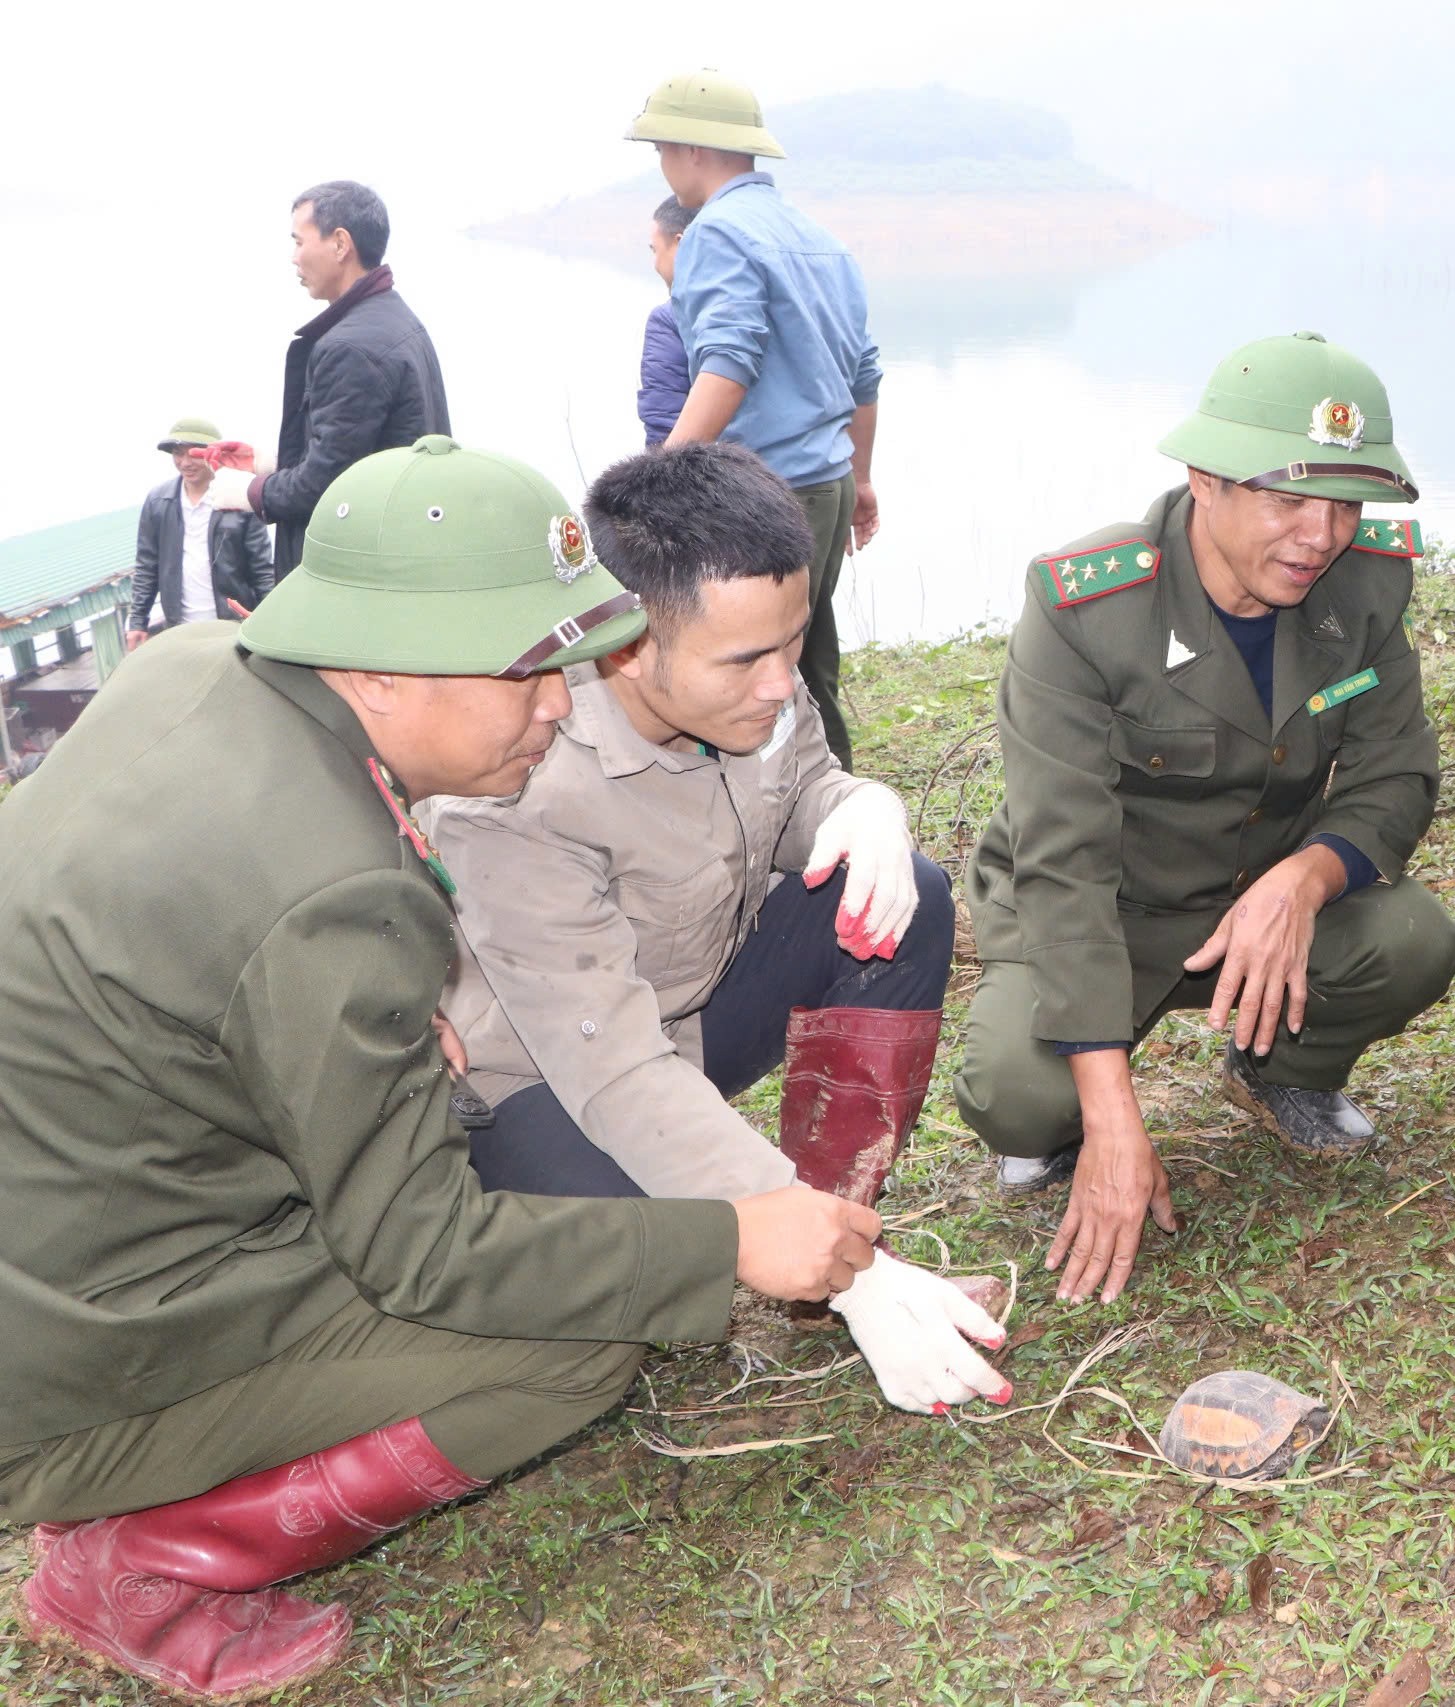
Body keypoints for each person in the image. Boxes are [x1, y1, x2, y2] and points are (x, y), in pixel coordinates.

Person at [0, 437, 884, 1702]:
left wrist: (373, 994)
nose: (559, 704)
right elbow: (426, 1257)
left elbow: (197, 916)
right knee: (574, 1342)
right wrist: (722, 1241)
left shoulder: (201, 665)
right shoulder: (334, 902)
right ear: (374, 669)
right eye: (526, 673)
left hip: (76, 1217)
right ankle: (135, 1559)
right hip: (78, 1350)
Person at [417, 443, 1001, 1414]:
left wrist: (861, 806)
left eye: (793, 644)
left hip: (688, 1024)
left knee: (907, 901)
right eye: (747, 660)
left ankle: (841, 1235)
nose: (781, 683)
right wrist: (811, 1256)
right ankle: (823, 1261)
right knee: (632, 1291)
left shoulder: (751, 682)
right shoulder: (523, 788)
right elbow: (611, 1069)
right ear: (627, 648)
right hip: (547, 1087)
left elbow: (805, 788)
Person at [957, 332, 1455, 1306]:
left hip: (1252, 909)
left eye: (1343, 505)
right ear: (1206, 480)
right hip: (1100, 909)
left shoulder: (1363, 586)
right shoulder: (1086, 610)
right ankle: (1072, 1112)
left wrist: (1302, 878)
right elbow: (1061, 865)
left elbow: (1397, 775)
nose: (1318, 536)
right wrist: (1112, 1122)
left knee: (1412, 939)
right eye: (1287, 500)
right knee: (1020, 1100)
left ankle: (1279, 1068)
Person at [628, 69, 882, 767]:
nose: (662, 163)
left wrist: (663, 475)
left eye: (662, 148)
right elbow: (864, 375)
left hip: (767, 494)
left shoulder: (716, 232)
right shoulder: (817, 237)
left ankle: (777, 823)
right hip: (826, 483)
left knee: (750, 675)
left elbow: (727, 365)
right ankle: (836, 802)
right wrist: (860, 478)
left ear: (693, 150)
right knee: (808, 658)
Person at [203, 181, 450, 578]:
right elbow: (360, 449)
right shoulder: (396, 319)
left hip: (363, 569)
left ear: (340, 244)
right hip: (405, 546)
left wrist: (249, 494)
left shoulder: (350, 348)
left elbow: (328, 483)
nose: (293, 258)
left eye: (299, 242)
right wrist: (268, 463)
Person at [126, 417, 274, 648]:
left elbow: (262, 569)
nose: (185, 462)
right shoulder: (158, 502)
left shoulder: (239, 498)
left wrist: (272, 620)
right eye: (177, 453)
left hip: (232, 627)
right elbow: (147, 565)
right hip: (182, 630)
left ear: (214, 454)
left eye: (194, 453)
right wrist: (137, 621)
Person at [638, 197, 696, 446]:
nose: (655, 264)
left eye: (655, 249)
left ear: (680, 244)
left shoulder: (669, 319)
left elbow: (663, 422)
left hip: (721, 478)